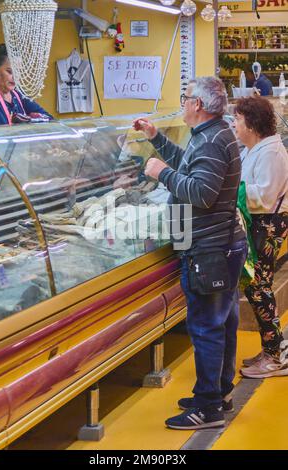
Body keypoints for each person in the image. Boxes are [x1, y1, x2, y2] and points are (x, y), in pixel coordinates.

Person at [133, 77, 247, 430]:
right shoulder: (211, 134)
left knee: (207, 328)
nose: (182, 103)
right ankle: (217, 393)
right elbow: (191, 168)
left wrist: (162, 173)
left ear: (198, 104)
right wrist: (157, 139)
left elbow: (202, 193)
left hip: (210, 248)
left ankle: (208, 408)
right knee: (222, 323)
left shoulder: (212, 139)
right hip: (218, 243)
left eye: (185, 98)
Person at [234, 96, 288, 378]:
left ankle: (274, 356)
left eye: (238, 121)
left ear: (252, 124)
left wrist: (231, 190)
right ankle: (271, 347)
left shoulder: (272, 153)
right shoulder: (252, 148)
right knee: (255, 285)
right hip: (257, 222)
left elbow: (265, 196)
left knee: (259, 284)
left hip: (269, 222)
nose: (234, 125)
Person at [0, 44, 52, 126]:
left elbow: (49, 118)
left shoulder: (17, 93)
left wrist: (32, 119)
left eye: (18, 72)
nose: (16, 77)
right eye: (10, 71)